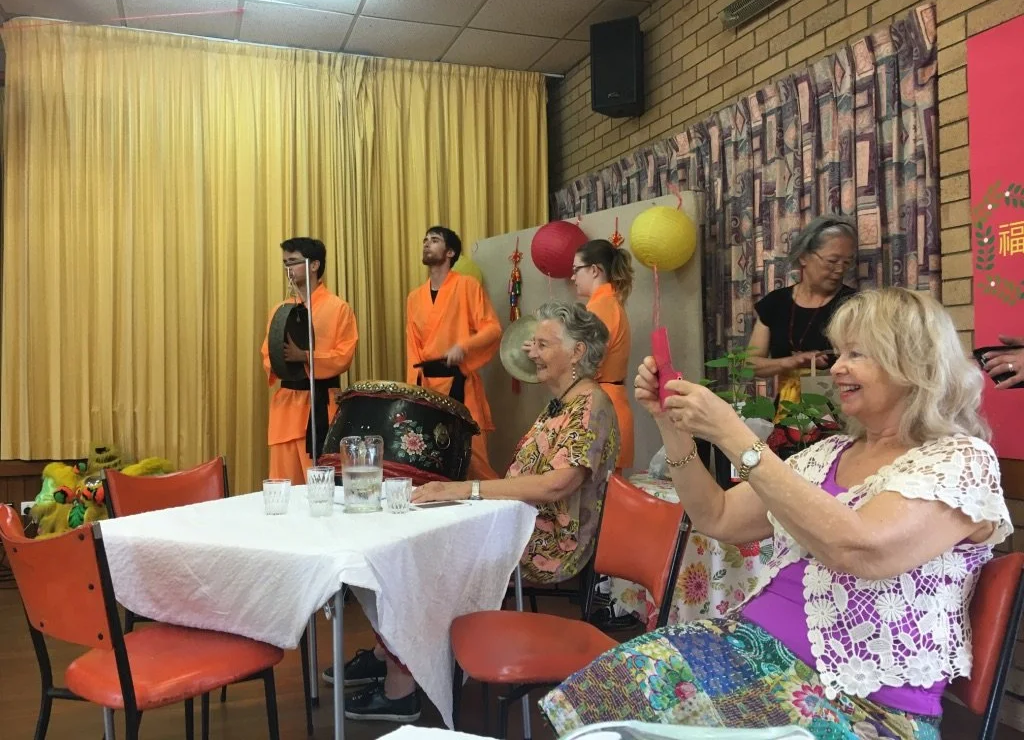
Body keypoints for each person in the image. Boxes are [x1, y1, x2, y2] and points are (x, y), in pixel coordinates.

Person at [541, 287, 1011, 739]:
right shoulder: (828, 453)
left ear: (912, 364)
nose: (837, 366)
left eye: (857, 354)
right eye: (839, 352)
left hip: (860, 707)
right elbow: (718, 517)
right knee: (618, 683)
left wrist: (734, 436)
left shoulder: (959, 458)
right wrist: (671, 426)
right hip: (752, 650)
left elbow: (863, 548)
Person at [340, 302, 619, 723]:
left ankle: (401, 682)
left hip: (548, 542)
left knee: (417, 557)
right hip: (518, 526)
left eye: (542, 344)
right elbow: (518, 479)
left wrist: (463, 488)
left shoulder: (592, 405)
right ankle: (390, 650)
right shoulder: (562, 404)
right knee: (404, 542)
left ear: (577, 352)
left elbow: (557, 483)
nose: (532, 353)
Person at [406, 226, 503, 480]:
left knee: (474, 460)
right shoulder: (414, 298)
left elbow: (492, 329)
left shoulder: (467, 286)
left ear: (450, 252)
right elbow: (412, 349)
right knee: (431, 462)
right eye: (425, 240)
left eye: (434, 240)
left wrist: (464, 346)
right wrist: (413, 393)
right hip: (428, 387)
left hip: (460, 383)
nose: (426, 244)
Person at [260, 237, 358, 486]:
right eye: (284, 263)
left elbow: (343, 356)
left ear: (314, 265)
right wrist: (281, 359)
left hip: (320, 407)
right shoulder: (280, 310)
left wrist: (305, 357)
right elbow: (267, 356)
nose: (287, 269)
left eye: (293, 262)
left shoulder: (339, 308)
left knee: (321, 488)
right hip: (286, 408)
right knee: (283, 487)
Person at [748, 215, 858, 394]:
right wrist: (792, 362)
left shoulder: (855, 304)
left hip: (840, 408)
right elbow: (750, 364)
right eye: (832, 261)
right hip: (787, 408)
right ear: (804, 257)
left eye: (846, 263)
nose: (840, 270)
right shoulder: (775, 302)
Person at [572, 238, 635, 472]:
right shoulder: (604, 304)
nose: (573, 277)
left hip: (603, 406)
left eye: (576, 270)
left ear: (594, 270)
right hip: (606, 401)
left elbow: (588, 362)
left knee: (601, 500)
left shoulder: (602, 307)